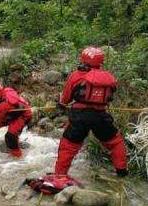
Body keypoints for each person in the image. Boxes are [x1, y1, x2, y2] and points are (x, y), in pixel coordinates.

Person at [54, 47, 128, 177]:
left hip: (80, 117)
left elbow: (65, 98)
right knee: (116, 143)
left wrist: (62, 104)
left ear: (83, 59)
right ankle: (122, 172)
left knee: (68, 146)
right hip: (101, 116)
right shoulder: (108, 77)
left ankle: (60, 176)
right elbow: (110, 97)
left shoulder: (76, 75)